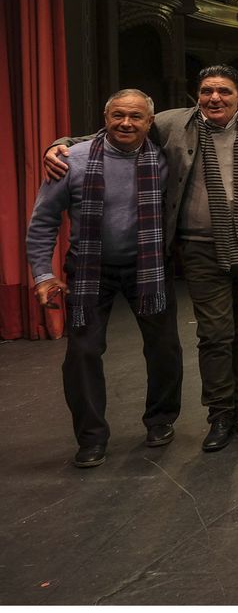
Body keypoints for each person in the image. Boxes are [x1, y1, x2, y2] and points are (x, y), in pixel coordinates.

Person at [47, 65, 238, 454]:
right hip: (199, 245)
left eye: (224, 91)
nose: (214, 99)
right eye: (206, 91)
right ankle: (220, 415)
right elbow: (120, 129)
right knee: (214, 333)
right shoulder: (175, 123)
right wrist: (60, 144)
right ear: (197, 94)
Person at [28, 90, 181, 469]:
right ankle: (91, 437)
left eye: (135, 117)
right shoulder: (71, 161)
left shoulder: (166, 160)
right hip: (89, 270)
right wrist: (43, 275)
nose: (125, 123)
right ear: (105, 116)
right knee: (82, 355)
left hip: (148, 268)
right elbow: (43, 221)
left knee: (164, 349)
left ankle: (161, 420)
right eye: (117, 115)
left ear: (150, 122)